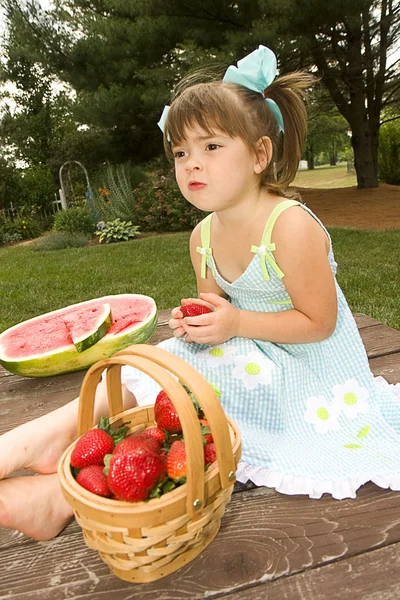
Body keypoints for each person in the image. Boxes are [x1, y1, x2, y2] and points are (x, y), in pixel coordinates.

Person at [1, 45, 400, 541]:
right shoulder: (202, 238)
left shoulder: (289, 227)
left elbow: (320, 324)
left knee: (204, 398)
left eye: (211, 147)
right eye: (181, 152)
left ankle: (54, 498)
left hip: (311, 369)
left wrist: (233, 325)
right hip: (252, 352)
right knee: (168, 362)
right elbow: (218, 318)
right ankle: (40, 439)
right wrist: (200, 324)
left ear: (260, 155)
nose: (193, 163)